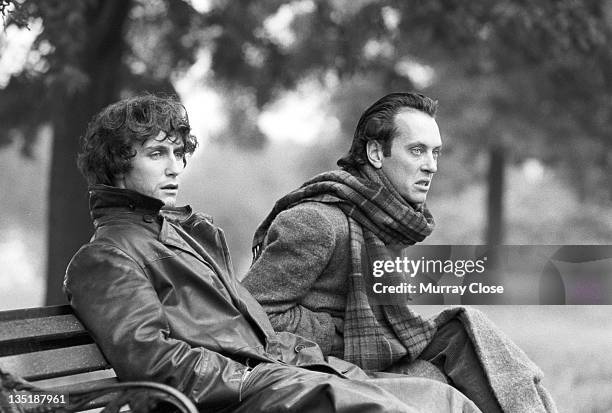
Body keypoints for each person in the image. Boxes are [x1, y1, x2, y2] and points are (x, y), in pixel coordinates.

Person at [63, 94, 483, 413]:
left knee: (441, 397)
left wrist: (304, 361)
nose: (174, 167)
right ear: (116, 165)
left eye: (178, 153)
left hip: (274, 375)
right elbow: (152, 365)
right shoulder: (105, 258)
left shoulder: (186, 234)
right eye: (157, 154)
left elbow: (254, 327)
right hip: (238, 396)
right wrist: (252, 377)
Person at [243, 92, 557, 413]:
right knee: (437, 384)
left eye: (435, 153)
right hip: (321, 370)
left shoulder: (389, 220)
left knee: (469, 333)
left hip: (373, 356)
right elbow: (252, 317)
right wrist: (343, 330)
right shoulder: (316, 221)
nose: (431, 166)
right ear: (377, 152)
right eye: (417, 151)